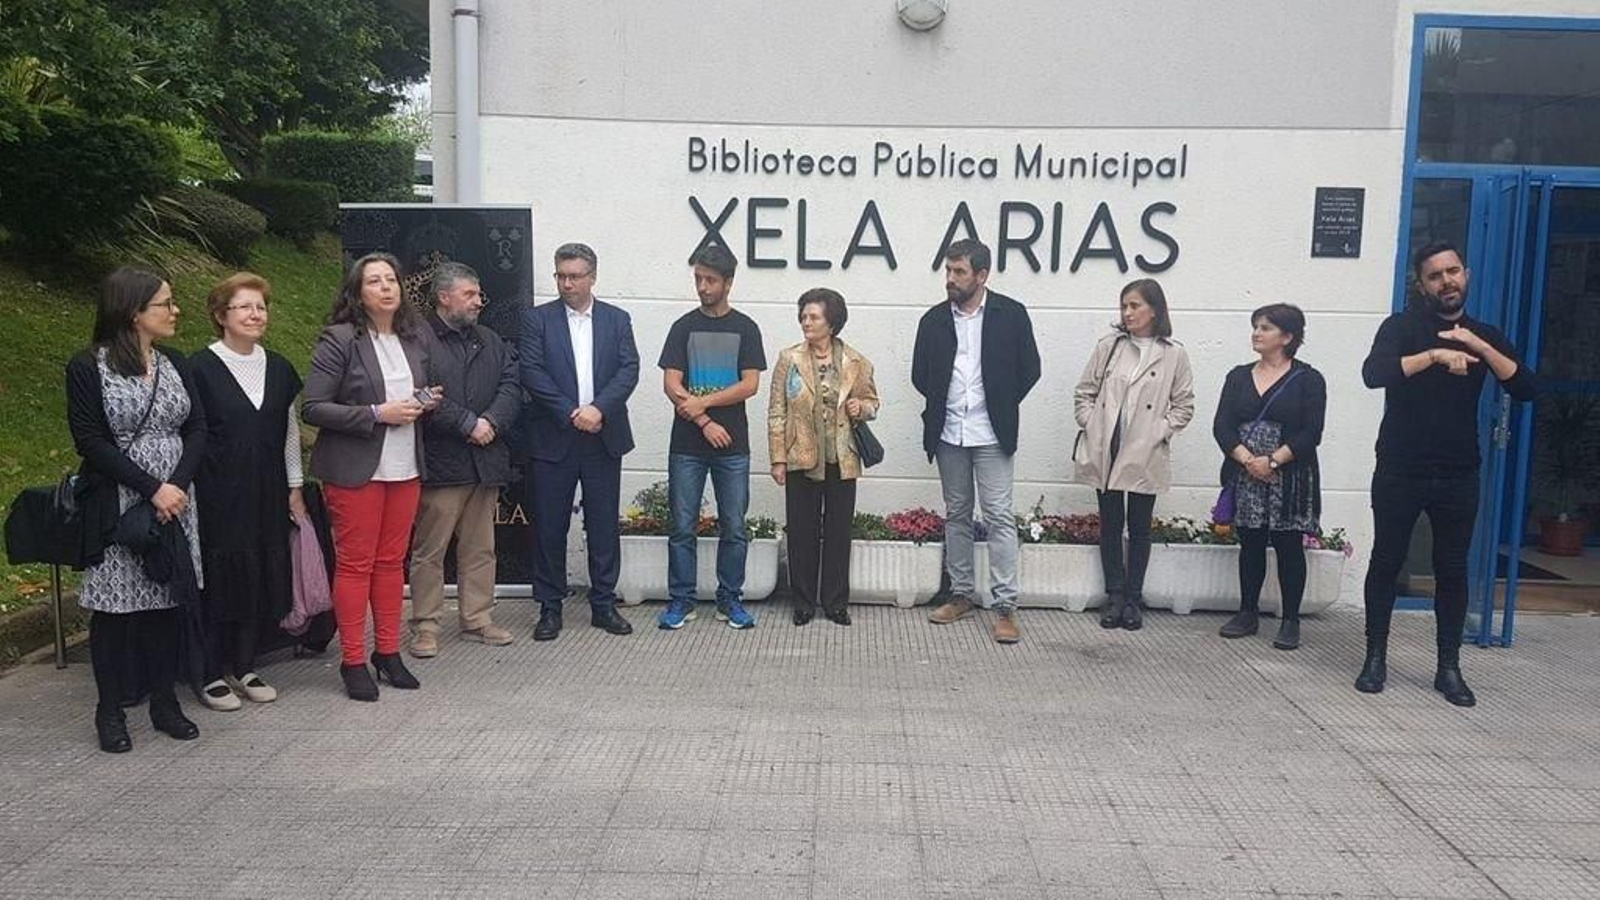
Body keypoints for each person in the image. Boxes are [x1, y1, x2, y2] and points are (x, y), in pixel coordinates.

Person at [1358, 240, 1537, 707]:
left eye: (1453, 272)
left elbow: (1525, 387)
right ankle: (1375, 658)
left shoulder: (1484, 333)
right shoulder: (1401, 328)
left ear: (1467, 275)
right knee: (1387, 562)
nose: (1447, 282)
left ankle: (1448, 667)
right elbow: (1374, 374)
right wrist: (1434, 356)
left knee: (1452, 570)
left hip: (1458, 472)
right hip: (1400, 466)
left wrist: (1475, 344)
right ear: (1422, 285)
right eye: (1435, 276)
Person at [66, 267, 205, 752]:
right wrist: (151, 488)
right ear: (133, 311)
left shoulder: (176, 363)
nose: (174, 310)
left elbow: (197, 429)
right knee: (116, 609)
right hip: (119, 501)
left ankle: (165, 701)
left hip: (176, 500)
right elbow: (90, 440)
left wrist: (177, 486)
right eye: (165, 303)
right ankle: (110, 710)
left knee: (166, 602)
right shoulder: (88, 366)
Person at [303, 252, 438, 701]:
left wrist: (423, 400)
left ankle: (388, 652)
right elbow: (313, 406)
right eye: (374, 281)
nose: (386, 287)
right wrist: (378, 413)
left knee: (390, 563)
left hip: (405, 465)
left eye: (391, 280)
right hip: (355, 468)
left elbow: (405, 395)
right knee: (356, 564)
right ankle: (354, 660)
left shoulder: (413, 338)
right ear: (357, 293)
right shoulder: (340, 339)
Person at [914, 239, 1041, 644]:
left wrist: (1000, 403)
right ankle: (962, 594)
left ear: (982, 275)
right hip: (950, 432)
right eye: (948, 271)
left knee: (1000, 516)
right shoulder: (933, 320)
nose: (951, 279)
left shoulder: (1011, 315)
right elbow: (921, 375)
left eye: (960, 272)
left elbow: (1030, 370)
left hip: (991, 433)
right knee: (957, 514)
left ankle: (1005, 607)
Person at [188, 273, 304, 711]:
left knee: (260, 569)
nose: (256, 314)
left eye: (261, 307)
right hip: (217, 489)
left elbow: (289, 431)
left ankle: (245, 664)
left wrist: (295, 486)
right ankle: (209, 670)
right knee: (221, 574)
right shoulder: (198, 367)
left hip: (267, 488)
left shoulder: (278, 366)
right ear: (221, 316)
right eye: (245, 307)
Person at [520, 243, 639, 640]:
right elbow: (532, 372)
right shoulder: (537, 320)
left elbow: (629, 369)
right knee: (550, 526)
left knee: (603, 524)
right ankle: (550, 607)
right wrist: (572, 411)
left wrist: (599, 409)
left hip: (603, 436)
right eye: (560, 276)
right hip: (555, 435)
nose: (566, 283)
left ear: (592, 277)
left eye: (574, 276)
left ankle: (604, 604)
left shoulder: (617, 319)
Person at [408, 262, 522, 657]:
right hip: (443, 463)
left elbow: (511, 385)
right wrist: (466, 423)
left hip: (485, 461)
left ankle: (477, 618)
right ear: (444, 297)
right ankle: (425, 625)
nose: (478, 301)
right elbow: (418, 394)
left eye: (478, 294)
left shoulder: (490, 339)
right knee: (430, 550)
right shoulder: (417, 340)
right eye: (469, 294)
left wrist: (490, 421)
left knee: (480, 547)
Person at [1073, 278, 1195, 632]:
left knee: (1140, 526)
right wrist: (1092, 423)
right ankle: (1113, 595)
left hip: (1145, 450)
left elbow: (1184, 405)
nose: (1127, 313)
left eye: (1135, 305)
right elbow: (1085, 391)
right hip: (1107, 446)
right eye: (1124, 306)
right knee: (1110, 523)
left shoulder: (1173, 353)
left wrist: (1159, 431)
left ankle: (1134, 598)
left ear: (1154, 309)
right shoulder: (1109, 346)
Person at [656, 244, 767, 630]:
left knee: (734, 526)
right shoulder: (683, 327)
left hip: (733, 445)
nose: (702, 287)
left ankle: (729, 599)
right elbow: (672, 382)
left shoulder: (746, 328)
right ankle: (681, 600)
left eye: (710, 280)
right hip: (687, 445)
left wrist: (701, 405)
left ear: (728, 283)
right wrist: (704, 421)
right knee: (682, 525)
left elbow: (749, 385)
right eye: (698, 279)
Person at [1212, 304, 1326, 651]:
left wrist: (1273, 462)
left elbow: (1312, 431)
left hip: (1289, 477)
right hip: (1246, 474)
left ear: (1287, 337)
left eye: (1266, 328)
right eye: (1255, 326)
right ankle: (1248, 611)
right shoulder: (1237, 376)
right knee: (1251, 543)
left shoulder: (1308, 379)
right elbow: (1222, 426)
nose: (1257, 333)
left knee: (1290, 546)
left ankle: (1290, 619)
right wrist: (1248, 460)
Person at [768, 288, 881, 626]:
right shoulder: (789, 359)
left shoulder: (856, 362)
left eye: (813, 316)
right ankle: (802, 602)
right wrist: (778, 458)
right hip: (801, 455)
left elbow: (873, 402)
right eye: (803, 316)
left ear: (831, 322)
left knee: (837, 531)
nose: (806, 322)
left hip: (842, 458)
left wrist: (863, 407)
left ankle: (834, 602)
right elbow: (777, 411)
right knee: (801, 532)